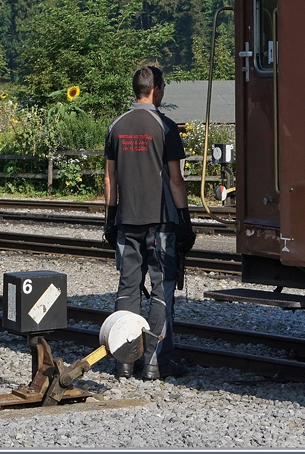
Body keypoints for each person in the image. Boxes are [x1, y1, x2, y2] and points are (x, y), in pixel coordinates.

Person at [103, 66, 193, 380]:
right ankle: (156, 364)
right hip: (161, 224)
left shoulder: (116, 126)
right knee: (161, 290)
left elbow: (109, 179)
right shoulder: (166, 128)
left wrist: (110, 218)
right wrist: (185, 221)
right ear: (156, 89)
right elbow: (176, 181)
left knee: (127, 290)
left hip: (127, 221)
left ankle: (125, 362)